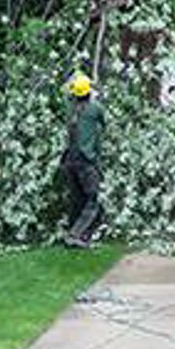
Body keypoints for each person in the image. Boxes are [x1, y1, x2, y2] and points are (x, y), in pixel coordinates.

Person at [62, 72, 105, 248]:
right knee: (92, 200)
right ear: (89, 93)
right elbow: (104, 123)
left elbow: (66, 89)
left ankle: (76, 235)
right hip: (85, 161)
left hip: (69, 160)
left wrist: (76, 83)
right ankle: (74, 235)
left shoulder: (70, 107)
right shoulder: (95, 108)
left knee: (77, 199)